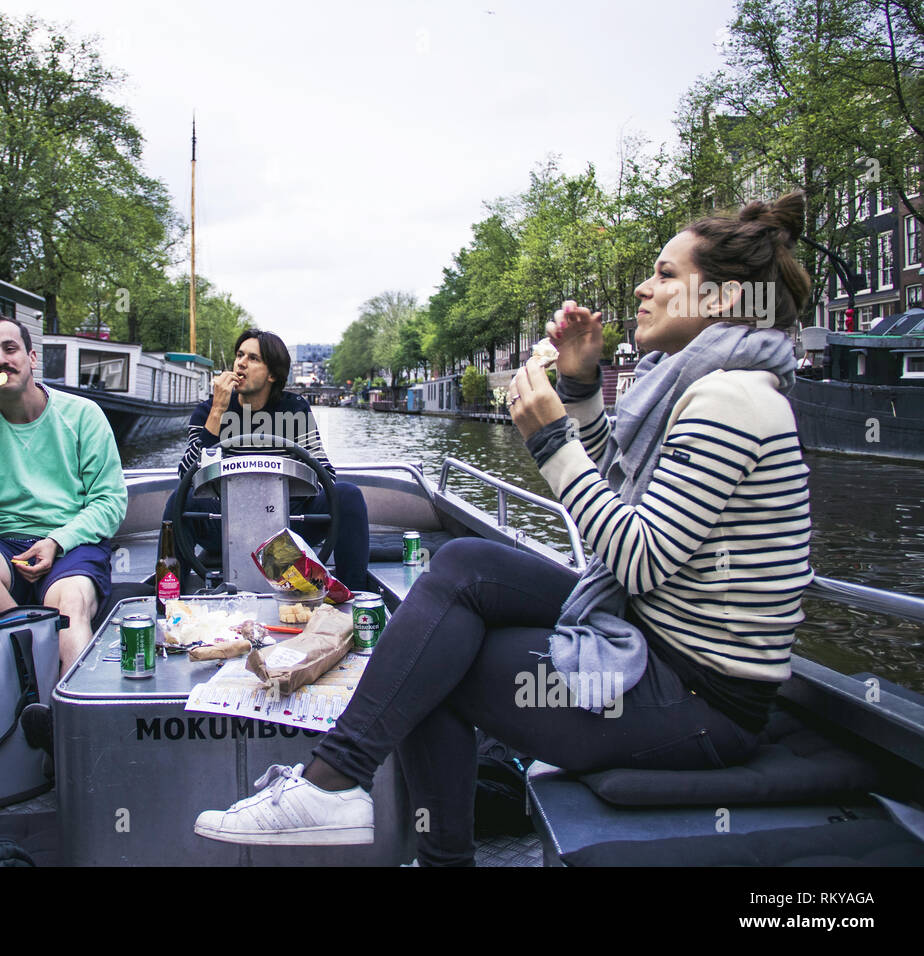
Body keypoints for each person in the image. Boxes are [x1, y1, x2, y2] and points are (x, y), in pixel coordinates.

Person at [192, 193, 814, 864]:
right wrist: (579, 388)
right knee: (462, 565)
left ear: (721, 300)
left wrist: (551, 441)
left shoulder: (732, 397)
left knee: (439, 667)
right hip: (657, 637)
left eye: (666, 274)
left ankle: (350, 794)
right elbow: (619, 490)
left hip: (698, 698)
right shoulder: (695, 382)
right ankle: (338, 783)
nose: (643, 286)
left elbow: (635, 557)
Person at [0, 311, 127, 679]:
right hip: (3, 547)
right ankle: (35, 685)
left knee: (70, 603)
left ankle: (67, 712)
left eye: (11, 348)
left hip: (71, 543)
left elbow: (109, 502)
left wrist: (57, 540)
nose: (1, 360)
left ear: (32, 358)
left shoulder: (82, 415)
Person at [166, 329, 370, 591]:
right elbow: (185, 477)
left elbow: (326, 476)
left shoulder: (294, 409)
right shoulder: (208, 410)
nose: (240, 363)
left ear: (272, 374)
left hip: (289, 524)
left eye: (253, 358)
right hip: (223, 521)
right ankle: (167, 600)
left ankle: (355, 599)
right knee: (176, 502)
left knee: (348, 496)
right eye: (239, 355)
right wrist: (218, 410)